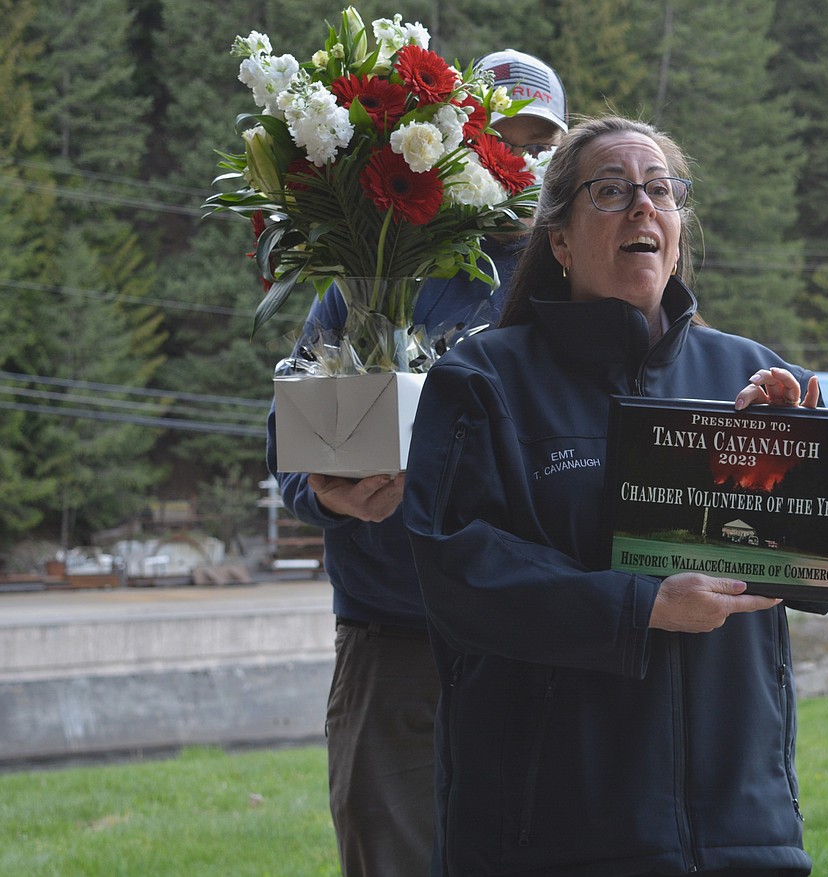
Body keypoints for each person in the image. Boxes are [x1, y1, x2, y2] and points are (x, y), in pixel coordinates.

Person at [402, 116, 828, 876]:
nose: (643, 206)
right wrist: (644, 606)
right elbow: (455, 571)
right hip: (552, 839)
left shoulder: (751, 373)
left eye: (660, 190)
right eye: (611, 190)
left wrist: (798, 457)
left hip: (741, 831)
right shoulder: (485, 380)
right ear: (558, 241)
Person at [265, 50, 567, 877]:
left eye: (542, 143)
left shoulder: (581, 284)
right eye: (502, 136)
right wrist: (333, 495)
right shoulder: (369, 270)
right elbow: (288, 444)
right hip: (394, 639)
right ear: (459, 140)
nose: (522, 160)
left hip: (537, 639)